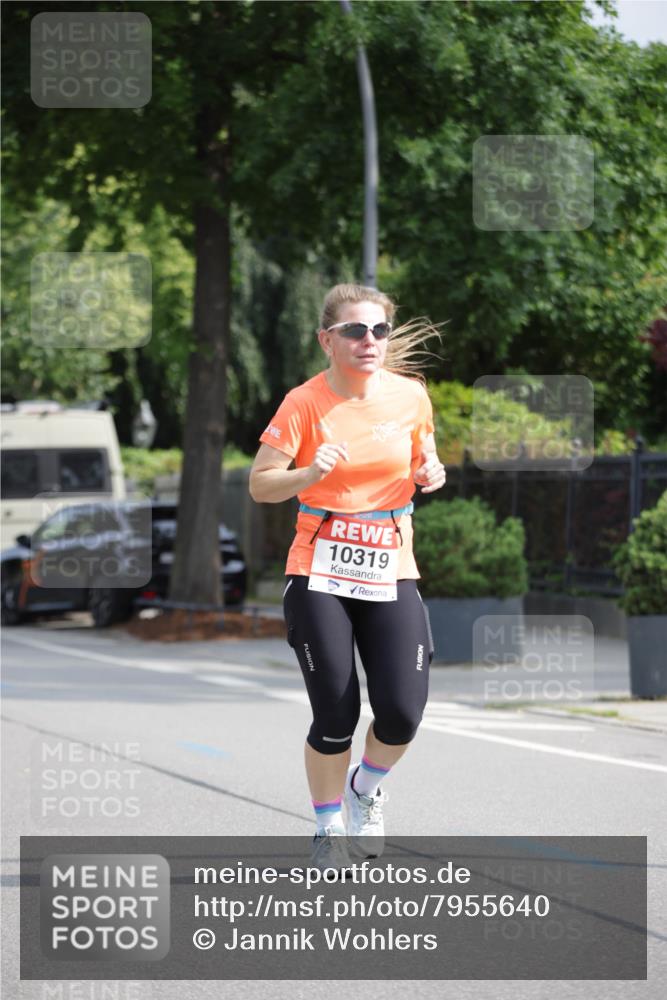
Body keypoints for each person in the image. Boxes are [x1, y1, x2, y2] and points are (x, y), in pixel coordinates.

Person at [249, 282, 446, 871]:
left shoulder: (411, 397)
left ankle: (365, 788)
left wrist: (431, 472)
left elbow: (422, 460)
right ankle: (328, 824)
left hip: (390, 567)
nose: (370, 341)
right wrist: (308, 471)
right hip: (320, 569)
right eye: (356, 331)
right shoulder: (303, 402)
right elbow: (261, 485)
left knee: (403, 712)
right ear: (327, 341)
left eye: (380, 330)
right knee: (336, 713)